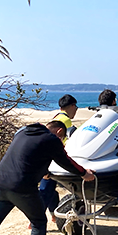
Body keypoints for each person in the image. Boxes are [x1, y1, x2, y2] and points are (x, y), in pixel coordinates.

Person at [38, 94, 79, 226]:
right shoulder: (65, 121)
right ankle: (35, 220)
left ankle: (54, 215)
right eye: (75, 107)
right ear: (71, 106)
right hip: (54, 158)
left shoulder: (56, 117)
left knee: (51, 188)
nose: (76, 110)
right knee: (46, 187)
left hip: (49, 157)